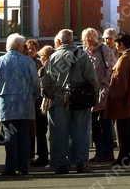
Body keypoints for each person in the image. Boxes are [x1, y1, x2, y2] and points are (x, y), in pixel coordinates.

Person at [42, 29, 98, 174]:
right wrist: (94, 96)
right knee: (81, 131)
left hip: (59, 100)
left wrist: (49, 96)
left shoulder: (53, 57)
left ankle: (60, 164)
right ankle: (80, 162)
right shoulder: (82, 55)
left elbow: (46, 82)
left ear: (59, 42)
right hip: (80, 98)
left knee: (58, 132)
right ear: (72, 40)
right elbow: (92, 78)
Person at [0, 33, 39, 176]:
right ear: (19, 46)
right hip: (25, 103)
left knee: (9, 136)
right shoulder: (28, 61)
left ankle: (10, 167)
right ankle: (23, 166)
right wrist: (35, 95)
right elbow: (35, 82)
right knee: (23, 136)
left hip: (6, 104)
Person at [107, 33, 130, 168]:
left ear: (121, 44)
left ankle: (124, 158)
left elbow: (119, 83)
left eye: (117, 43)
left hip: (123, 102)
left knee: (123, 132)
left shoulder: (124, 59)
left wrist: (111, 96)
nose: (116, 46)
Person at [82, 28, 116, 164]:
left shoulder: (104, 50)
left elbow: (112, 68)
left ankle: (107, 153)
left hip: (103, 93)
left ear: (96, 38)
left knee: (105, 124)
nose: (88, 41)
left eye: (91, 38)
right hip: (91, 94)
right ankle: (99, 152)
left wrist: (105, 86)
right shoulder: (84, 53)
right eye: (86, 38)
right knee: (95, 125)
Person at [25, 39, 49, 168]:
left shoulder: (39, 64)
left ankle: (43, 156)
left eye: (33, 48)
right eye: (28, 48)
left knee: (40, 130)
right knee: (29, 130)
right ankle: (29, 155)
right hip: (29, 101)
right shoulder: (24, 63)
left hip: (39, 102)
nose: (30, 50)